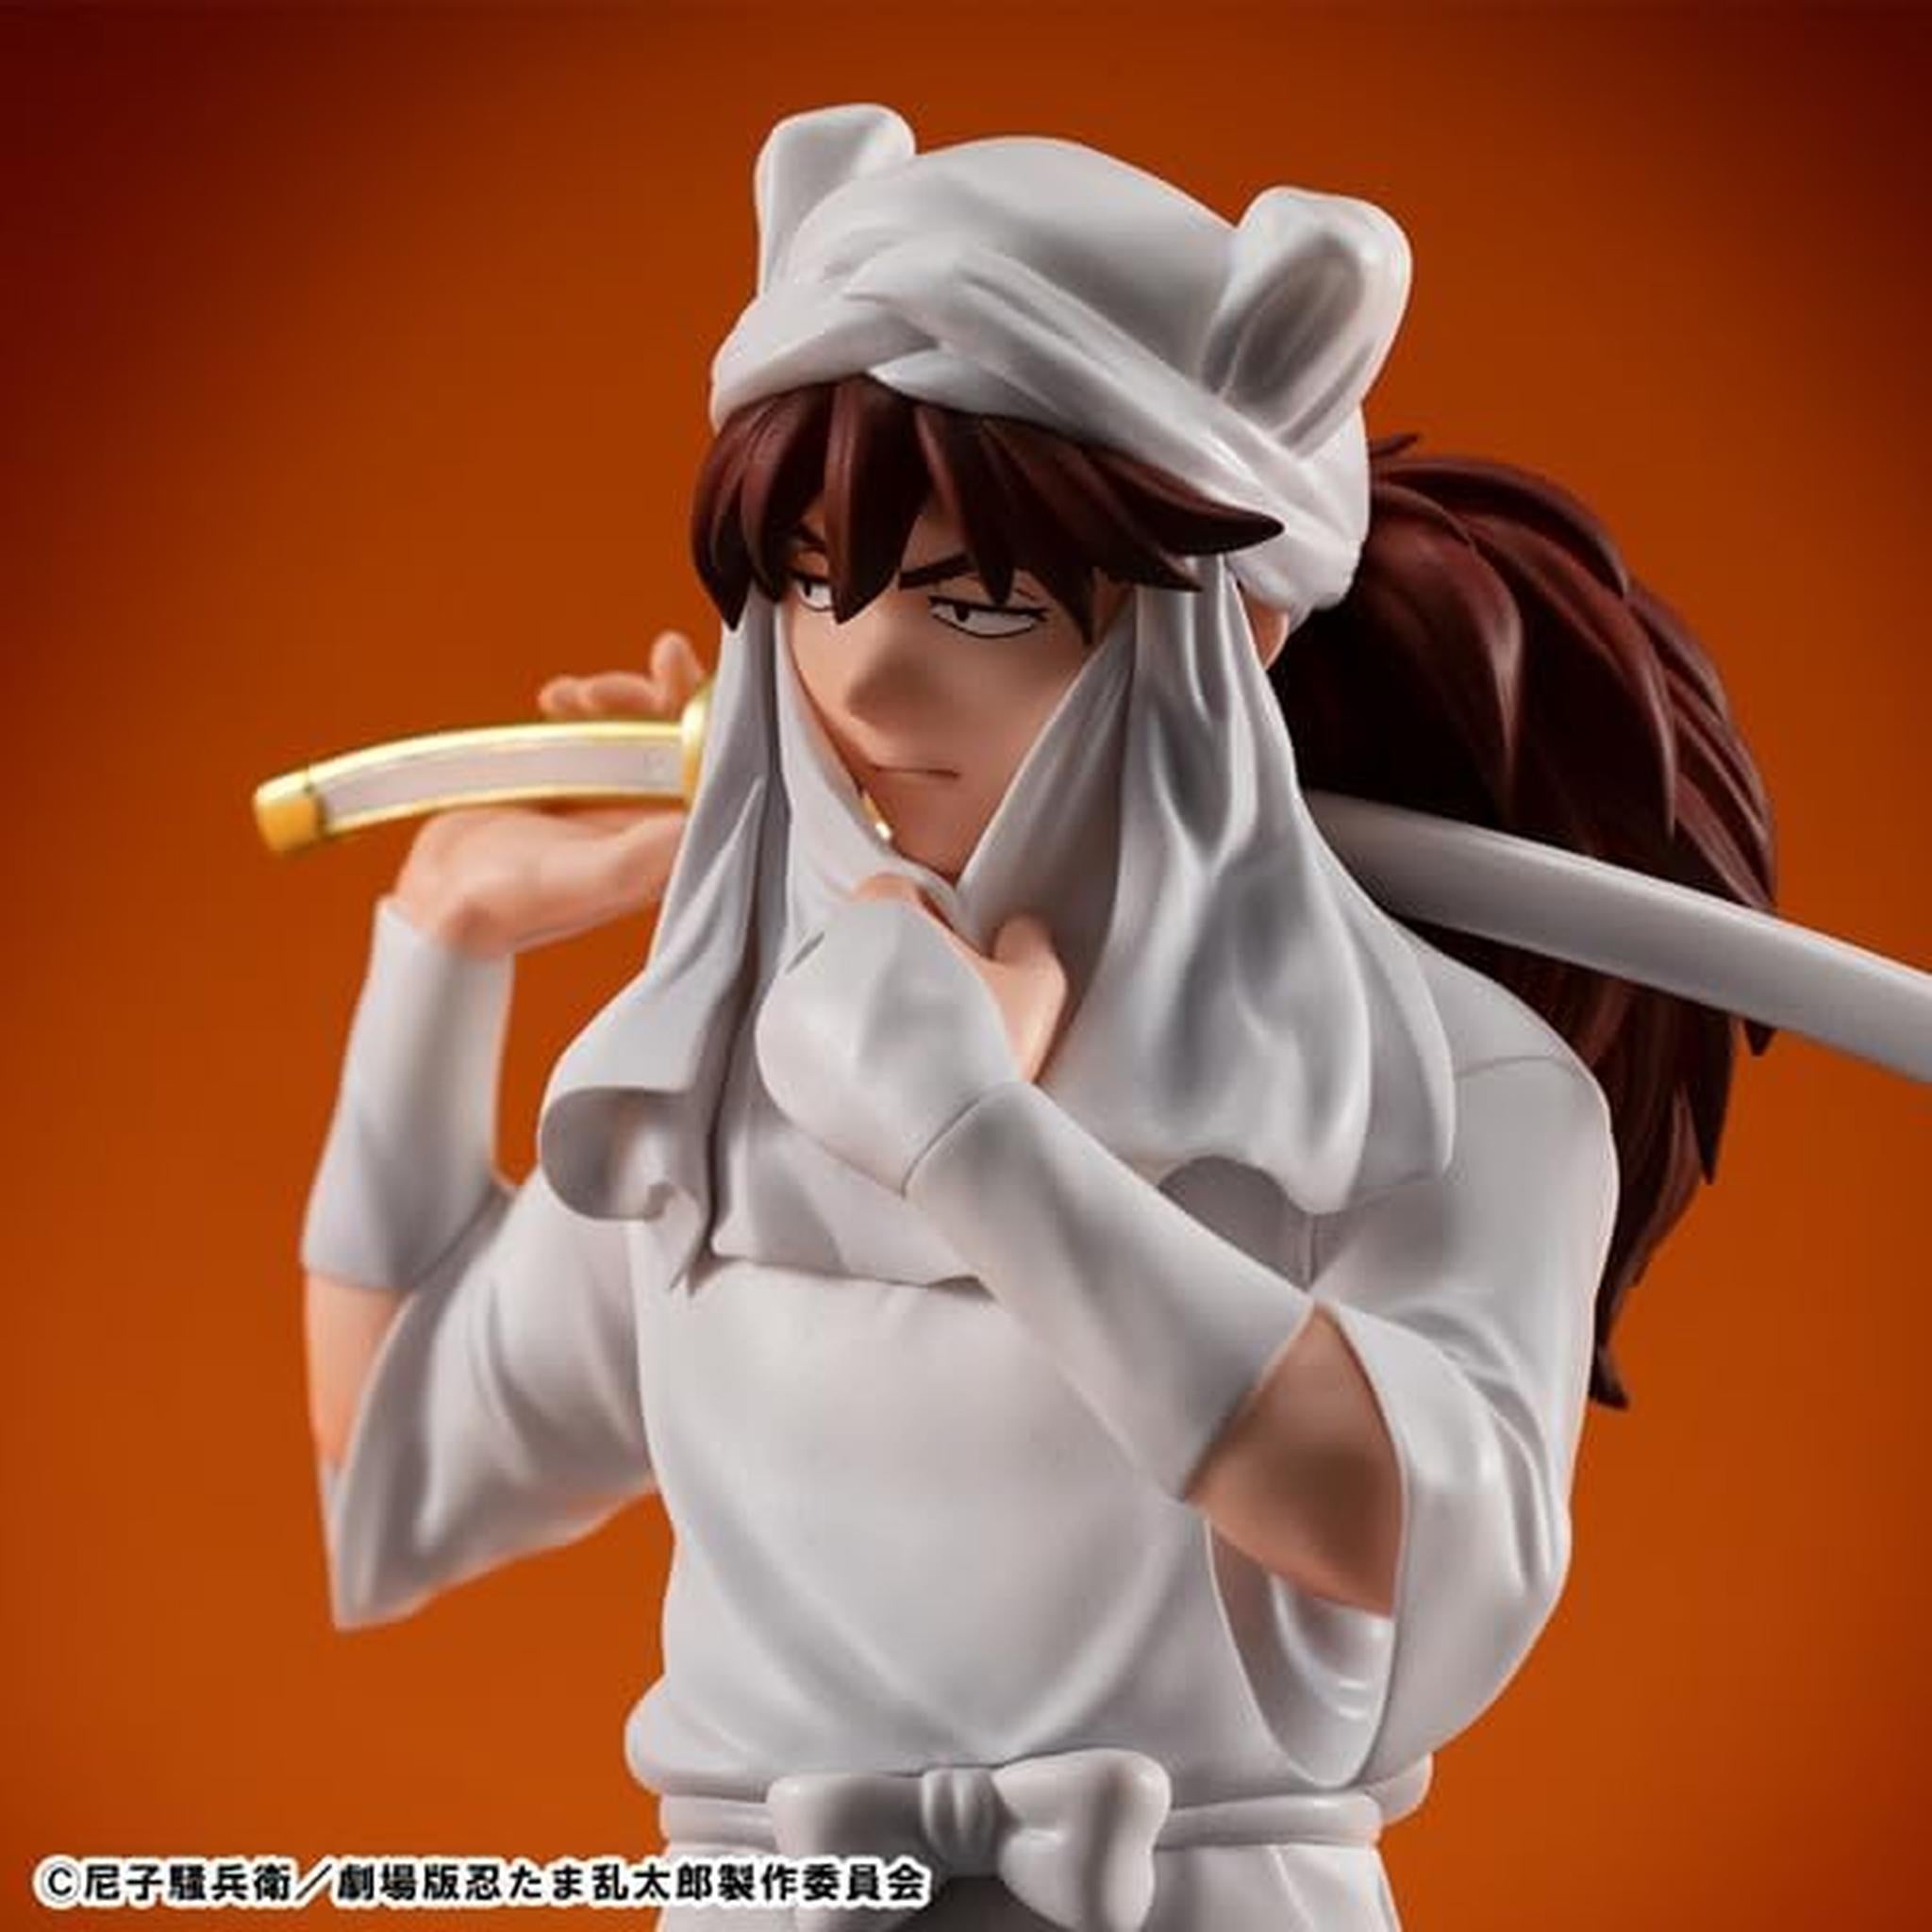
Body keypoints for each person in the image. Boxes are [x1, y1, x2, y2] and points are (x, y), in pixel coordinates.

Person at [296, 106, 1760, 1930]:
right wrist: (442, 947)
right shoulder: (737, 1050)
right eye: (812, 578)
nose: (861, 676)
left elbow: (1418, 1541)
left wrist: (972, 1143)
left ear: (1226, 633)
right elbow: (402, 1470)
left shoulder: (1435, 1080)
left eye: (982, 602)